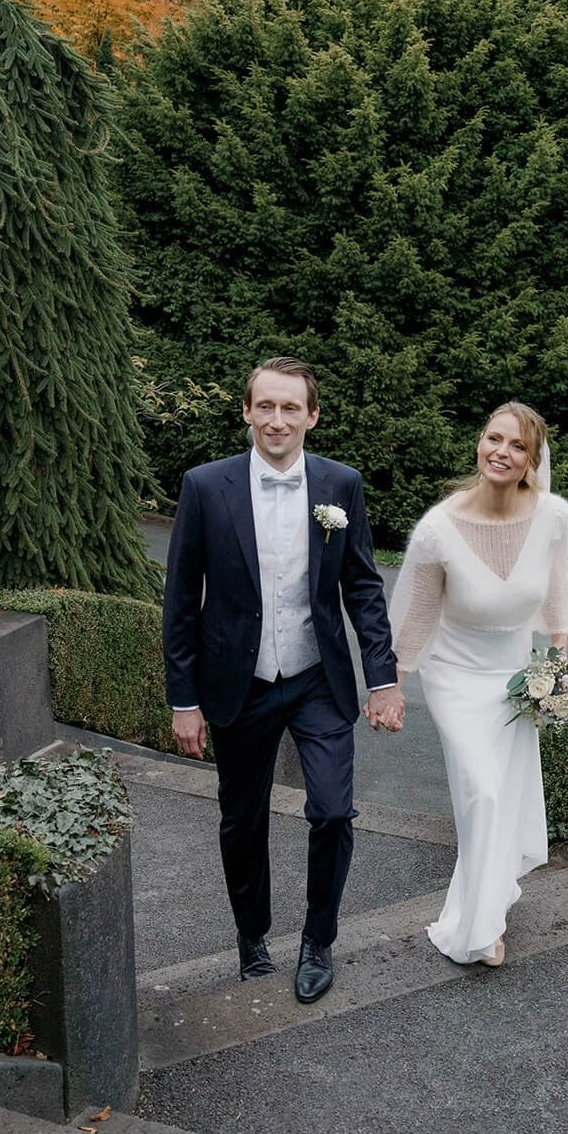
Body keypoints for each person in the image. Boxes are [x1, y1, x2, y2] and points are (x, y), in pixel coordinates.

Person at [162, 356, 404, 1005]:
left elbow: (362, 588)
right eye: (264, 406)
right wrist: (183, 699)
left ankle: (317, 938)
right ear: (245, 411)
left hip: (316, 676)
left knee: (330, 810)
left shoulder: (339, 485)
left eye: (290, 408)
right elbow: (181, 600)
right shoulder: (205, 487)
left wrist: (382, 679)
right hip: (237, 684)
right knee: (242, 821)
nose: (276, 420)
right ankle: (252, 940)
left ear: (312, 416)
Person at [390, 402, 568, 967]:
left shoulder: (552, 515)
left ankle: (485, 916)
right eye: (495, 439)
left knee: (500, 796)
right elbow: (418, 613)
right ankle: (478, 924)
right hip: (454, 674)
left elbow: (556, 585)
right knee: (484, 792)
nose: (502, 452)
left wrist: (561, 662)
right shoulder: (439, 528)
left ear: (531, 461)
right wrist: (390, 684)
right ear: (480, 442)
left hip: (516, 678)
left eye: (518, 446)